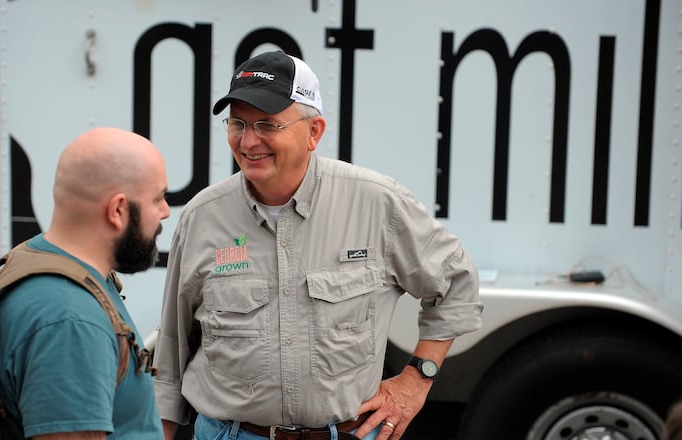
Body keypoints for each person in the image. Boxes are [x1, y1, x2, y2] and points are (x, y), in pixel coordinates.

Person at [154, 51, 483, 440]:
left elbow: (457, 284)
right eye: (238, 122)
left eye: (267, 124)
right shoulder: (202, 217)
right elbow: (172, 352)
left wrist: (417, 379)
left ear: (314, 133)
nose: (248, 140)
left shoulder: (377, 203)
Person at [0, 127, 170, 439]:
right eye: (158, 199)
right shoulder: (69, 322)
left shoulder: (42, 259)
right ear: (118, 210)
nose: (165, 212)